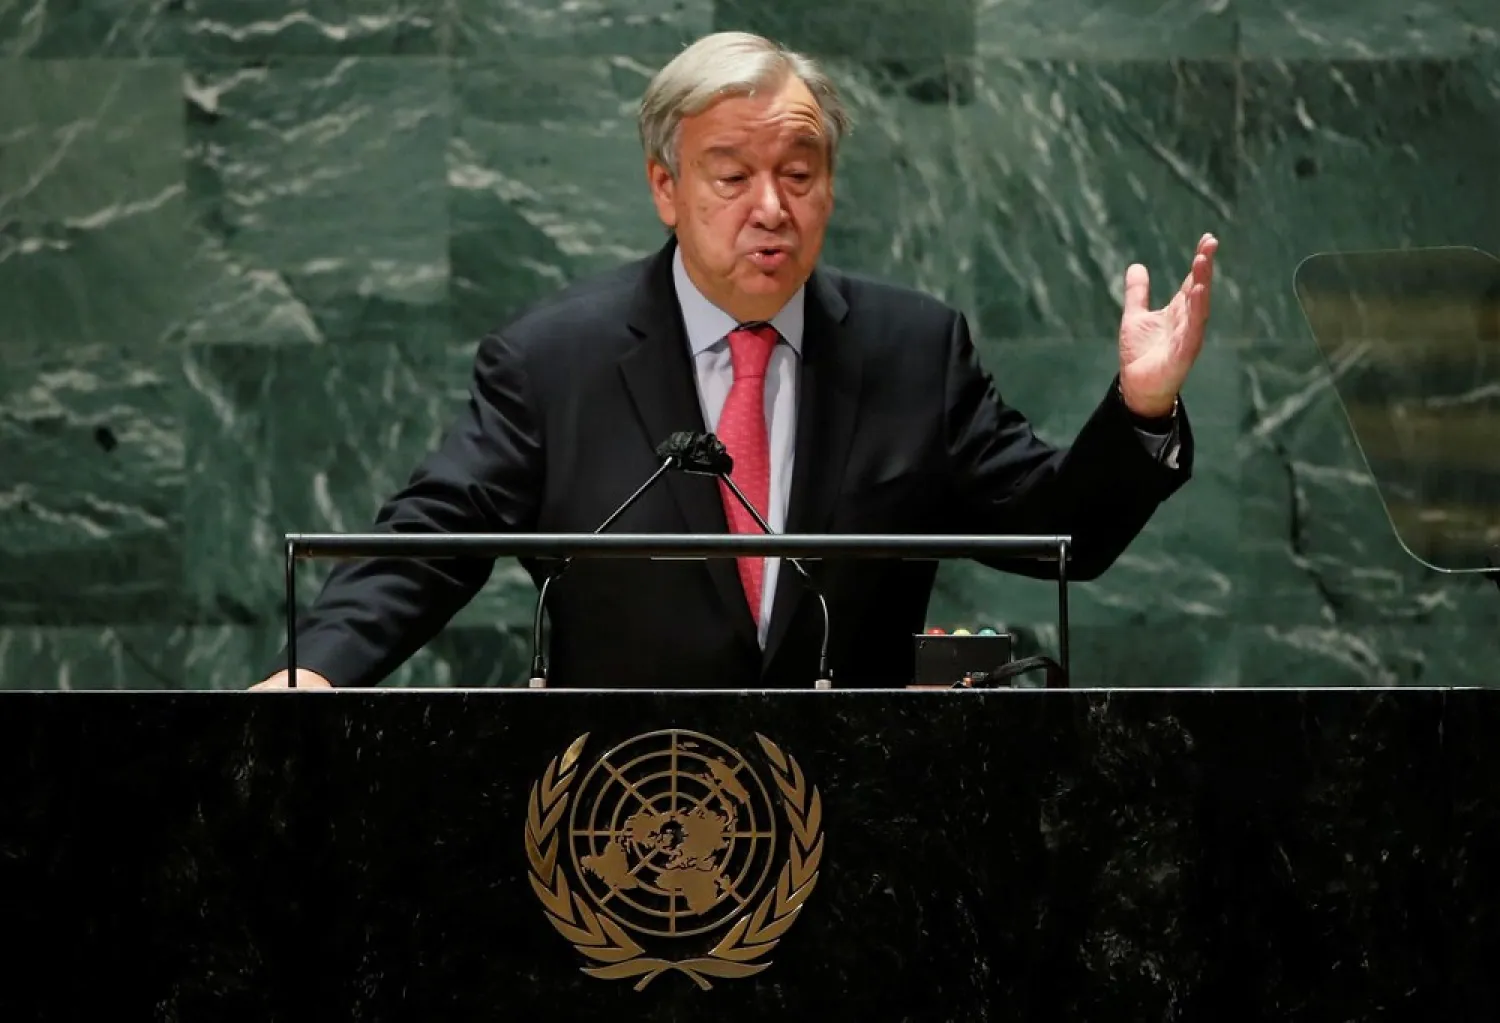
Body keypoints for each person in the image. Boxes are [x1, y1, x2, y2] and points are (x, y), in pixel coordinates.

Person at [252, 31, 1217, 691]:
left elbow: (1060, 535)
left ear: (830, 189)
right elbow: (432, 540)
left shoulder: (911, 353)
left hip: (868, 830)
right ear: (666, 188)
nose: (771, 206)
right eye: (732, 176)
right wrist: (319, 666)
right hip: (621, 819)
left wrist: (1142, 409)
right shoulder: (556, 362)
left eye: (799, 175)